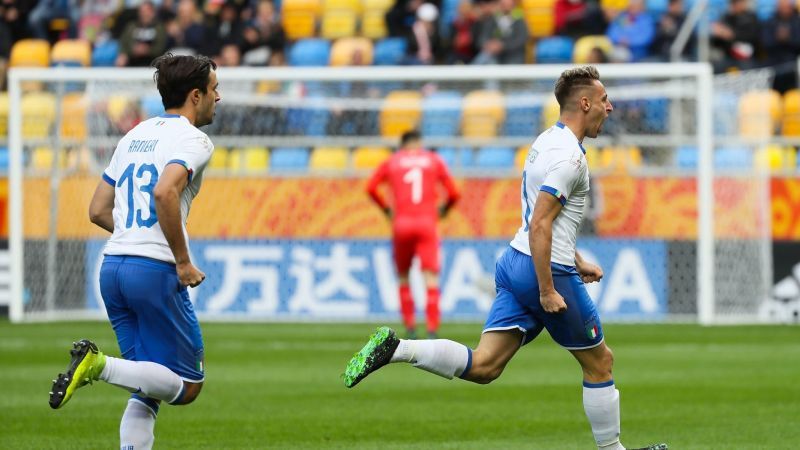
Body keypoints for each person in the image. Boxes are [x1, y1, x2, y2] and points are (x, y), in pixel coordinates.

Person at [344, 66, 667, 450]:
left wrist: (576, 257)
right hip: (545, 271)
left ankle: (397, 348)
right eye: (603, 100)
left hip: (515, 261)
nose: (609, 108)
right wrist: (548, 289)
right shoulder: (571, 161)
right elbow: (542, 224)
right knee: (601, 362)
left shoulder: (545, 142)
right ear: (584, 103)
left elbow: (541, 218)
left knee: (485, 366)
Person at [49, 53, 220, 450]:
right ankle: (98, 365)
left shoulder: (135, 135)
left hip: (112, 269)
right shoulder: (194, 139)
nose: (219, 98)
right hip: (154, 273)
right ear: (195, 96)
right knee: (188, 386)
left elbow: (97, 210)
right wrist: (181, 260)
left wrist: (131, 233)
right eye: (214, 90)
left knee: (145, 383)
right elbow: (165, 191)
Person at [365, 130, 460, 339]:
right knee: (430, 278)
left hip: (401, 224)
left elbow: (371, 187)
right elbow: (454, 193)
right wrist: (443, 210)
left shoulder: (392, 161)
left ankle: (410, 327)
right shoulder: (433, 160)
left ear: (402, 144)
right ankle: (432, 329)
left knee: (403, 277)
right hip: (427, 223)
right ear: (418, 142)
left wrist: (386, 209)